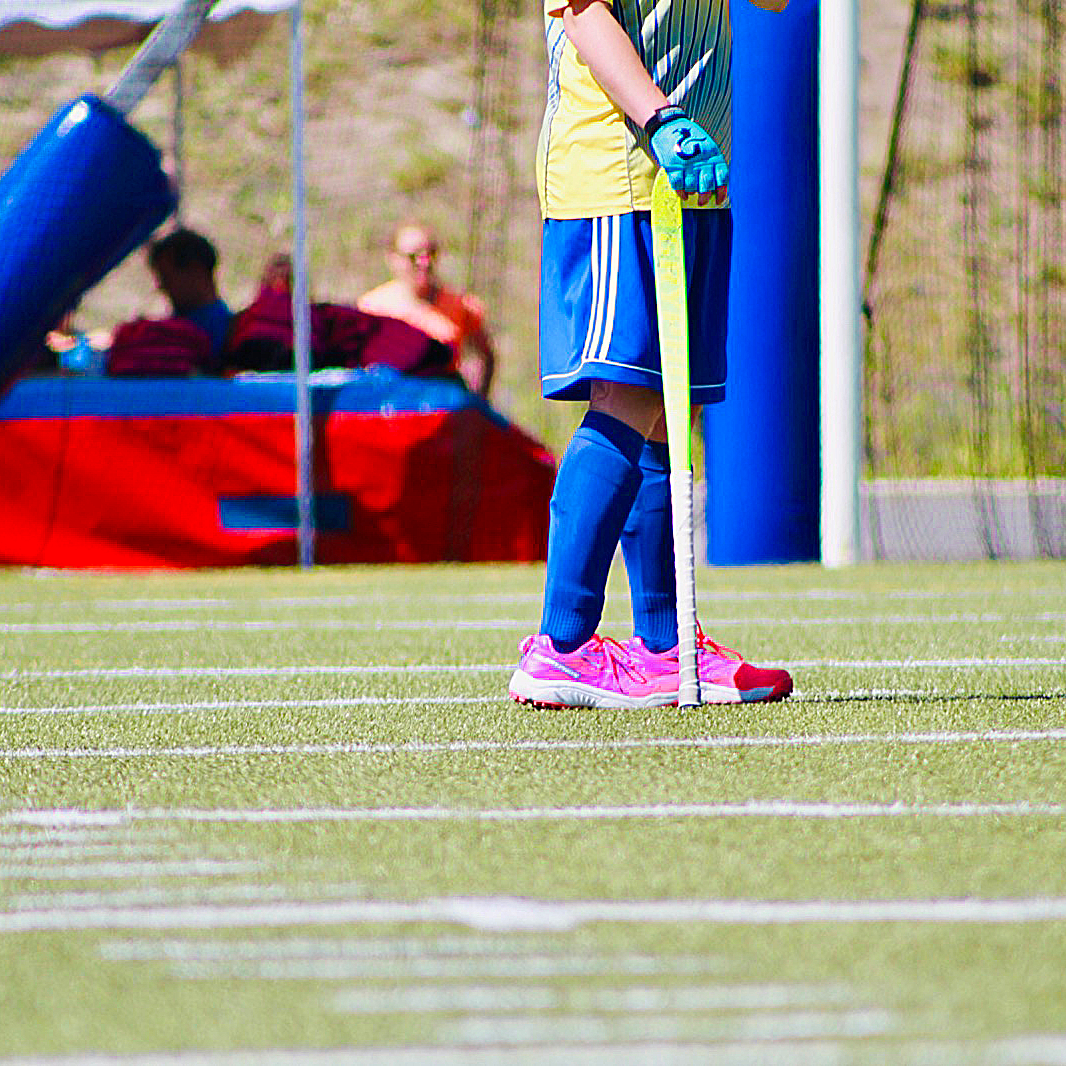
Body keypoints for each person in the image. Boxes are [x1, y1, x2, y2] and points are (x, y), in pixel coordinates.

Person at [508, 0, 794, 709]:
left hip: (695, 179)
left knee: (669, 408)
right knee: (629, 394)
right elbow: (584, 16)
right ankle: (561, 647)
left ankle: (666, 646)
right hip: (619, 173)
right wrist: (660, 117)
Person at [357, 221, 496, 399]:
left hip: (443, 402)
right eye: (413, 257)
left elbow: (484, 355)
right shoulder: (372, 308)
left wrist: (477, 400)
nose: (424, 263)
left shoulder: (462, 306)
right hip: (390, 403)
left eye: (431, 254)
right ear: (393, 258)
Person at [146, 227, 233, 368]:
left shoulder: (235, 332)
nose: (163, 288)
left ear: (197, 271)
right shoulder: (165, 333)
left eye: (167, 278)